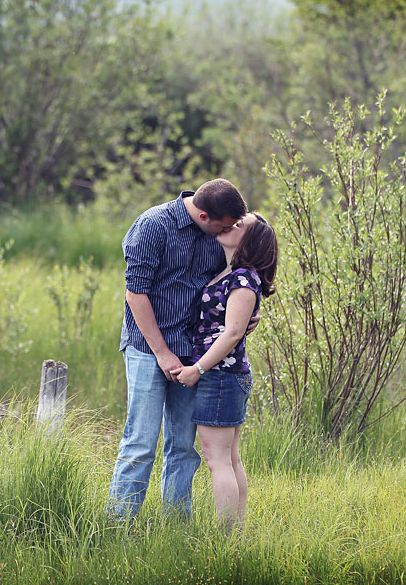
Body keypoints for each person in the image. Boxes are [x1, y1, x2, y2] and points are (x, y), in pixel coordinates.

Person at [107, 178, 249, 520]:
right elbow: (135, 294)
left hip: (195, 353)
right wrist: (162, 353)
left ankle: (175, 528)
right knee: (140, 443)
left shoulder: (218, 234)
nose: (227, 232)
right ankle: (118, 527)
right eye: (224, 226)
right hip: (147, 348)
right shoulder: (153, 225)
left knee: (184, 448)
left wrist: (246, 314)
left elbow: (233, 280)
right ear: (203, 215)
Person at [174, 212, 278, 530]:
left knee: (218, 460)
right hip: (224, 376)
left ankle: (226, 538)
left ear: (250, 240)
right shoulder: (229, 273)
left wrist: (197, 369)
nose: (230, 225)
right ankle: (235, 535)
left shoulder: (244, 279)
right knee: (229, 459)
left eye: (239, 225)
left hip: (220, 377)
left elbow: (232, 334)